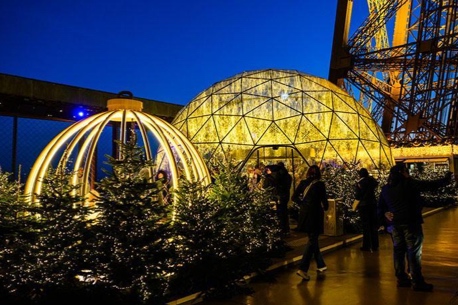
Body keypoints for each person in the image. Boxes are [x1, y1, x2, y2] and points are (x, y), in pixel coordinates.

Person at [377, 163, 452, 291]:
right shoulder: (409, 184)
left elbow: (380, 206)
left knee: (398, 251)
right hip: (411, 223)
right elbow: (430, 186)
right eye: (406, 170)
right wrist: (448, 177)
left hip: (395, 225)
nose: (408, 172)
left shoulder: (386, 188)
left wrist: (385, 214)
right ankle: (417, 281)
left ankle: (402, 279)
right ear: (402, 172)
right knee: (414, 252)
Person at [291, 165, 329, 281]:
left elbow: (294, 197)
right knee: (312, 240)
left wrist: (303, 204)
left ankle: (321, 264)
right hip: (315, 214)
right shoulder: (320, 184)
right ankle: (303, 268)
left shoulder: (303, 183)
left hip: (304, 215)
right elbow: (324, 201)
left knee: (313, 238)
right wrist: (325, 207)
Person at [354, 168, 379, 252]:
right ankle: (375, 245)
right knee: (373, 225)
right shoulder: (372, 181)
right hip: (372, 204)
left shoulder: (359, 183)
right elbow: (376, 183)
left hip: (363, 206)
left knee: (366, 226)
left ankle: (366, 245)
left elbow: (358, 196)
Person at [276, 162, 293, 235]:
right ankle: (286, 228)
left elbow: (278, 185)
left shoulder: (279, 175)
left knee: (281, 211)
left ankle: (282, 227)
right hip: (286, 194)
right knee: (284, 211)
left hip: (281, 195)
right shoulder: (288, 176)